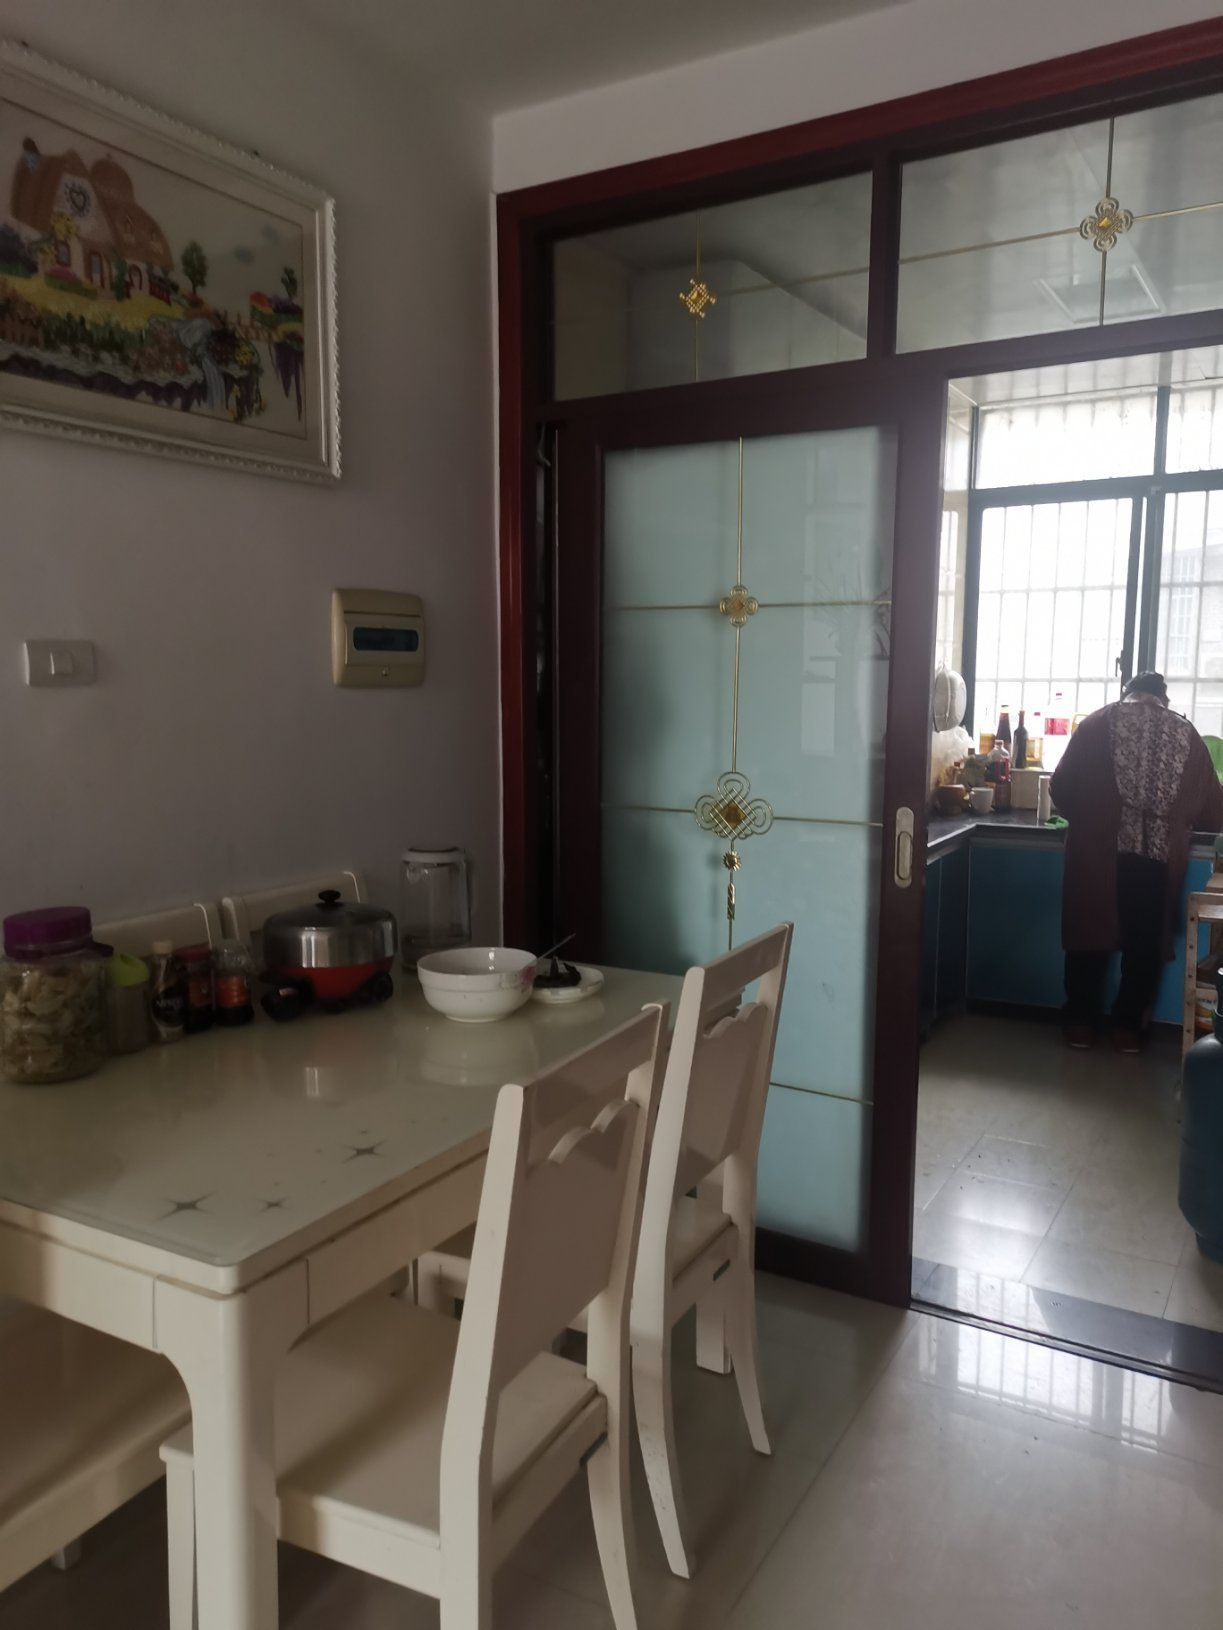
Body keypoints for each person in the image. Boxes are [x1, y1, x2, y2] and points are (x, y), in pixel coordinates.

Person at [1051, 672, 1223, 1052]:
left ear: (1127, 693)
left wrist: (1092, 814)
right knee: (1144, 944)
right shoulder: (1186, 734)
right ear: (1164, 700)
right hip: (1157, 856)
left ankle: (1080, 1025)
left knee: (1089, 933)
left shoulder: (1096, 724)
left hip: (1097, 851)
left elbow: (1060, 788)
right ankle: (1127, 1031)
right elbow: (1215, 813)